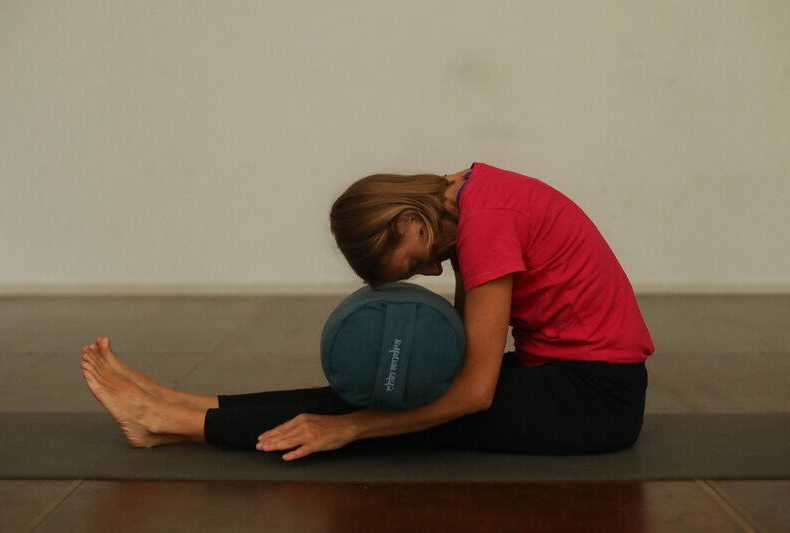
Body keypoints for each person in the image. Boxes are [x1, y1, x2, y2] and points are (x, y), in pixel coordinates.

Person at [81, 161, 654, 461]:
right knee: (386, 395)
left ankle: (170, 424)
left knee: (385, 423)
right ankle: (182, 405)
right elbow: (462, 366)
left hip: (596, 401)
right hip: (564, 377)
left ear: (406, 219)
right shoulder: (468, 195)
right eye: (412, 273)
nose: (429, 273)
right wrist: (359, 412)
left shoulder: (489, 222)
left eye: (410, 265)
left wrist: (349, 428)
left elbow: (473, 393)